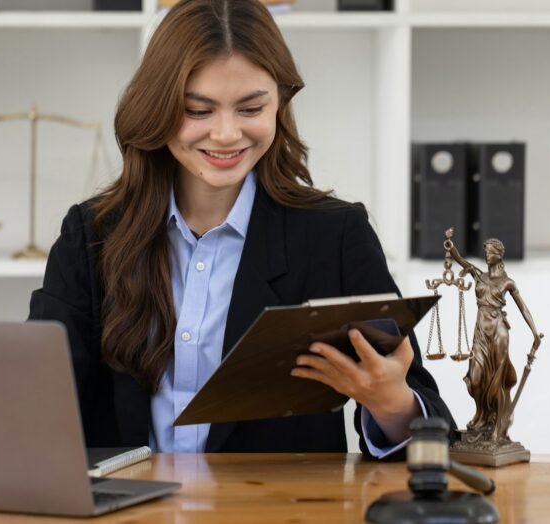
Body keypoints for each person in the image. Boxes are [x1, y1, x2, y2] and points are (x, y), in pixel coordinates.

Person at [29, 0, 454, 458]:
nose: (227, 134)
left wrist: (392, 404)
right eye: (198, 111)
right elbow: (32, 399)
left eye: (250, 108)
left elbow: (436, 434)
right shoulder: (90, 235)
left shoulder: (335, 236)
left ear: (280, 103)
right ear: (156, 107)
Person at [446, 234, 542, 446]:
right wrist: (451, 247)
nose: (486, 254)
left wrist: (535, 333)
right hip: (480, 330)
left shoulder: (507, 282)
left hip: (498, 331)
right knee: (476, 378)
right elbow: (462, 261)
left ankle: (498, 430)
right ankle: (482, 417)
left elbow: (522, 307)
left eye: (490, 252)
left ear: (499, 256)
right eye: (486, 251)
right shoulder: (479, 276)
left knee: (497, 382)